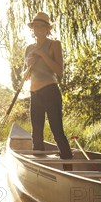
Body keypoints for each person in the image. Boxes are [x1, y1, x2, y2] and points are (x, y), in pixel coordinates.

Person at [24, 12, 73, 163]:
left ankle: (68, 165)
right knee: (36, 134)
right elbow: (24, 76)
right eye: (35, 26)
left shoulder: (54, 44)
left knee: (57, 131)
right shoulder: (28, 48)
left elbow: (59, 71)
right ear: (32, 29)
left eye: (42, 26)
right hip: (35, 94)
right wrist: (29, 67)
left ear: (47, 29)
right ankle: (38, 167)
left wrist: (42, 55)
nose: (38, 29)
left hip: (50, 91)